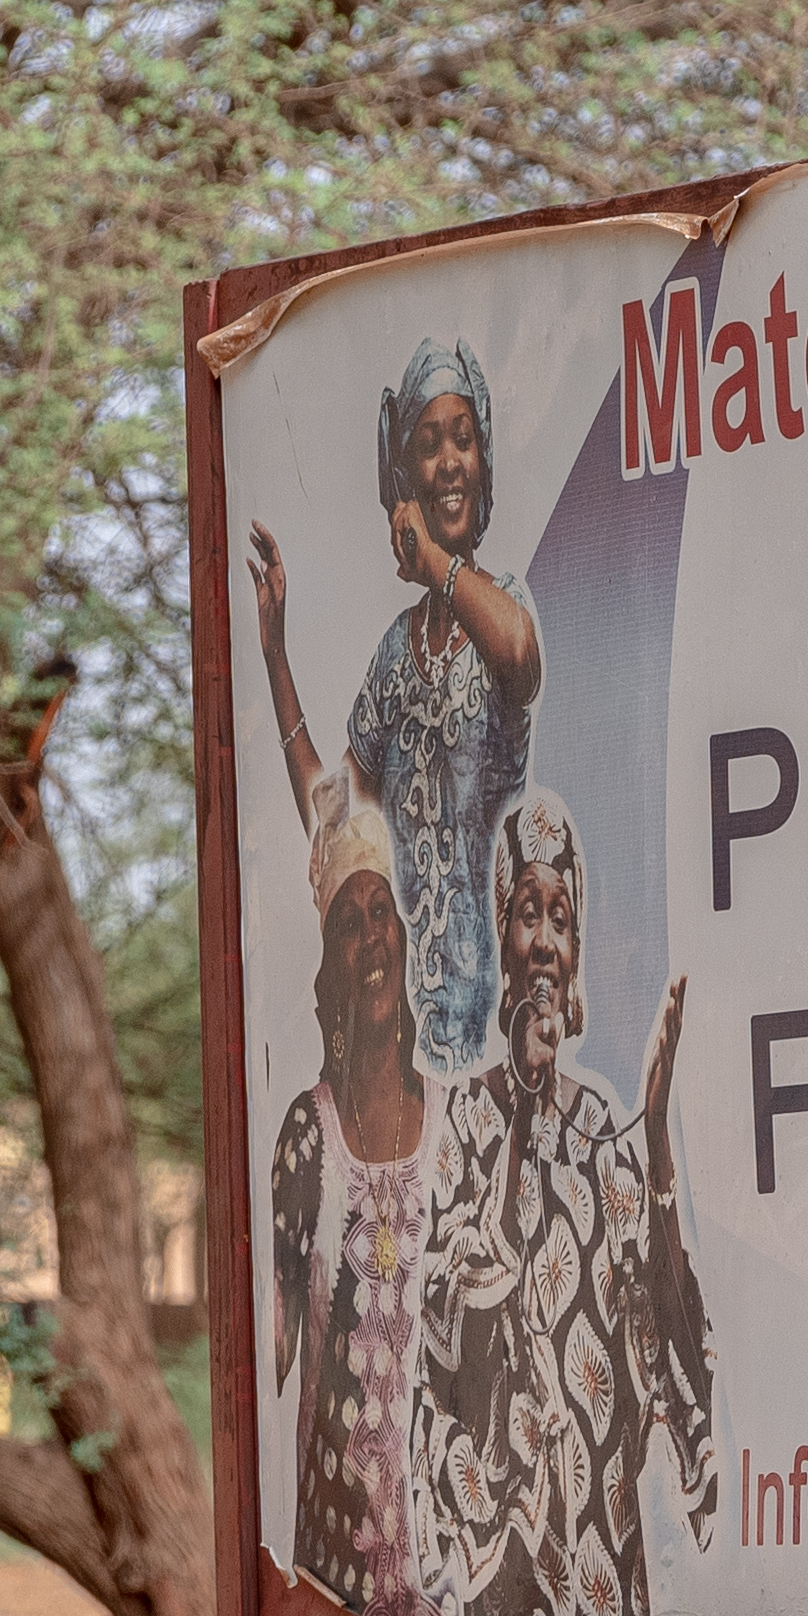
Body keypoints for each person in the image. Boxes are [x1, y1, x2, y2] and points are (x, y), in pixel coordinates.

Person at [419, 791, 718, 1616]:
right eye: (525, 912)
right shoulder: (468, 1123)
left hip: (611, 1586)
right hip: (511, 1598)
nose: (544, 939)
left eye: (560, 916)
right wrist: (520, 1112)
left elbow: (671, 1336)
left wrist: (655, 1138)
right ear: (501, 938)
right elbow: (455, 1337)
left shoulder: (603, 1125)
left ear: (577, 949)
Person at [253, 335, 540, 1071]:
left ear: (483, 464)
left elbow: (517, 654)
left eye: (464, 440)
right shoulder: (394, 656)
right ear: (404, 477)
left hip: (493, 1047)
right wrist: (275, 652)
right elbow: (333, 815)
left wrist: (435, 565)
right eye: (429, 444)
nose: (449, 462)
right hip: (409, 1052)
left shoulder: (501, 607)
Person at [265, 784, 454, 1616]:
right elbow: (272, 1352)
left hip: (450, 1587)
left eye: (384, 913)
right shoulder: (309, 1134)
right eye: (350, 920)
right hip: (334, 1583)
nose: (372, 934)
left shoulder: (455, 1130)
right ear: (330, 961)